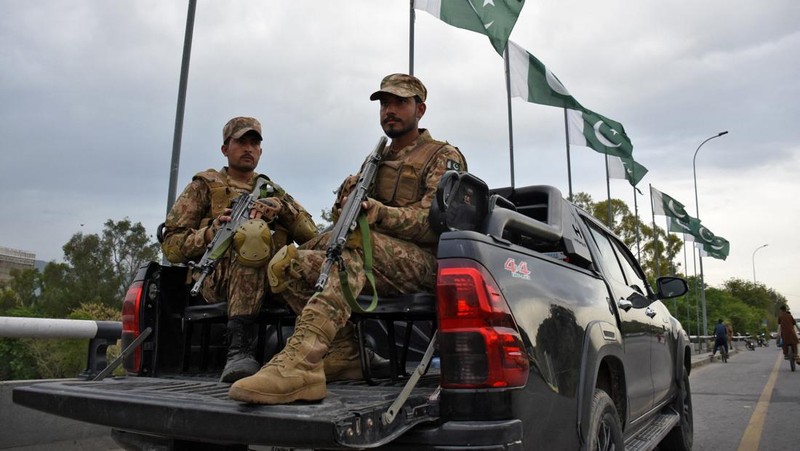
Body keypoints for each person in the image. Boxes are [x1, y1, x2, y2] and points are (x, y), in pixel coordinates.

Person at [229, 73, 468, 404]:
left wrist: (380, 213)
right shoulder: (375, 160)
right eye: (385, 103)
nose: (390, 110)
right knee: (286, 264)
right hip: (369, 256)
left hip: (423, 263)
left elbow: (434, 222)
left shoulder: (441, 155)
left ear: (420, 109)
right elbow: (346, 219)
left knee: (352, 246)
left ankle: (302, 362)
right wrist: (345, 202)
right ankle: (344, 353)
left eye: (400, 102)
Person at [161, 117, 318, 383]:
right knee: (252, 237)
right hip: (218, 278)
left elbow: (311, 236)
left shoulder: (272, 190)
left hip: (273, 277)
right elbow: (172, 246)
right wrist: (211, 232)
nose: (248, 148)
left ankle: (337, 344)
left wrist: (281, 209)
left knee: (332, 247)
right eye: (241, 142)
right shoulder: (204, 186)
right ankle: (239, 350)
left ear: (260, 151)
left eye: (254, 143)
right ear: (225, 149)